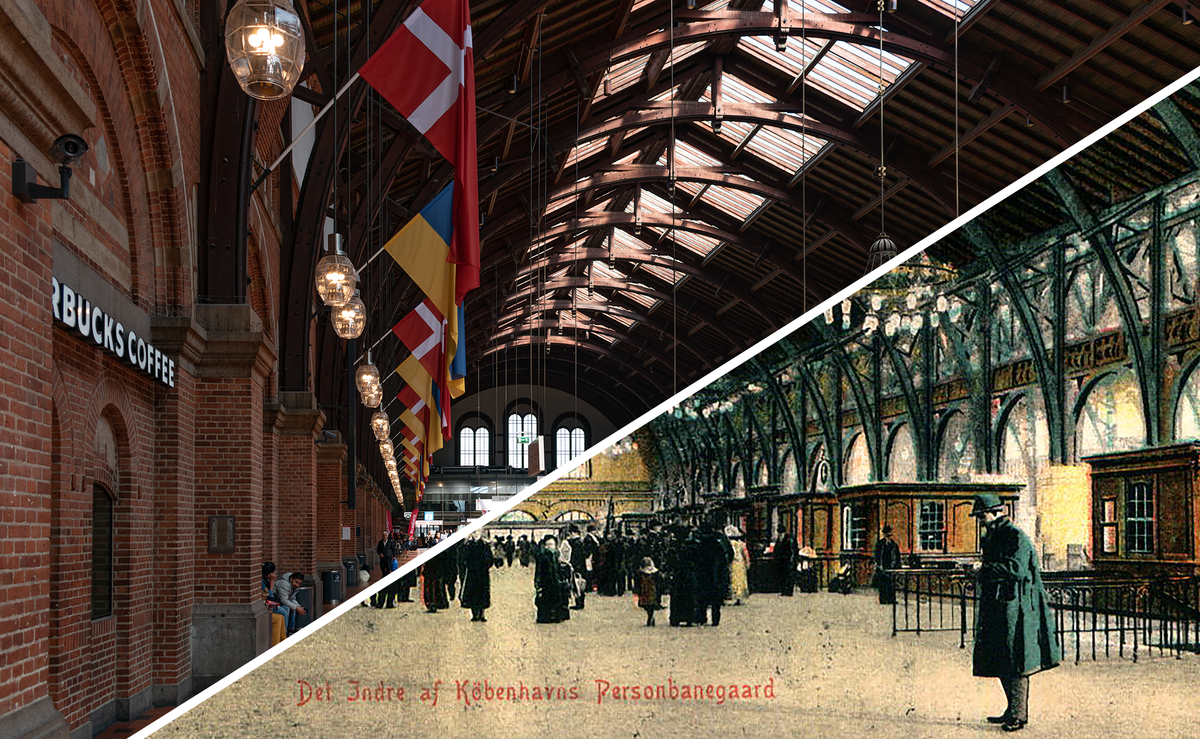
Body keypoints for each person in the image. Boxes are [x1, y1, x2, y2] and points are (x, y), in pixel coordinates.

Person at [970, 493, 1060, 733]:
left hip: (1018, 606)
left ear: (998, 512)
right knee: (1000, 656)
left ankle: (1019, 716)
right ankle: (1011, 709)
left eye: (982, 515)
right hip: (1000, 604)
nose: (980, 520)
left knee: (1016, 658)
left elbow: (1016, 569)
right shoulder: (994, 535)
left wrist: (983, 569)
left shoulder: (1015, 536)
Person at [693, 523, 733, 626]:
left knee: (702, 597)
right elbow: (729, 554)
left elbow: (694, 557)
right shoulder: (720, 540)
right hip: (717, 573)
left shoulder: (698, 541)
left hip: (702, 573)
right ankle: (715, 619)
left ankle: (702, 618)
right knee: (716, 598)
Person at [534, 535, 571, 623]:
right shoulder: (542, 556)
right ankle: (547, 618)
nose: (550, 546)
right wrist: (537, 583)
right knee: (546, 600)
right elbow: (538, 571)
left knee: (557, 599)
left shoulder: (557, 555)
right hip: (546, 582)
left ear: (555, 545)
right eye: (548, 544)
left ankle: (556, 616)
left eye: (552, 544)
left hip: (556, 582)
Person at [460, 535, 493, 622]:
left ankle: (478, 614)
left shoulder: (472, 545)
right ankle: (478, 614)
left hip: (476, 572)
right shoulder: (482, 545)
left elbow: (490, 559)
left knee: (477, 593)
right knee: (477, 594)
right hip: (478, 573)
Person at [873, 525, 902, 605]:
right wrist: (878, 565)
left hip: (891, 566)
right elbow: (877, 555)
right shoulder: (880, 544)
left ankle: (891, 599)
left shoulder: (894, 544)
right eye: (887, 533)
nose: (888, 535)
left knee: (891, 584)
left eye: (889, 533)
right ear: (884, 534)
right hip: (882, 567)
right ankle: (883, 599)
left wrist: (898, 567)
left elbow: (897, 556)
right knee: (883, 584)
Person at [725, 526, 750, 605]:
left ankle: (733, 595)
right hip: (740, 563)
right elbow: (745, 555)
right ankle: (739, 597)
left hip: (732, 563)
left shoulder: (728, 544)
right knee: (740, 579)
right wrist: (747, 563)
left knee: (733, 579)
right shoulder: (741, 544)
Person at [636, 557, 663, 626]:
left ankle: (650, 617)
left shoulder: (641, 573)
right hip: (650, 591)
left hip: (646, 591)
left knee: (648, 605)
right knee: (650, 605)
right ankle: (651, 616)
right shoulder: (655, 573)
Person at [773, 529, 796, 596]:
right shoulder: (779, 539)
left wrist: (792, 560)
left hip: (787, 561)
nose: (779, 534)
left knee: (788, 576)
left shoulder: (788, 539)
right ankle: (783, 590)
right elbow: (776, 549)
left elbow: (792, 551)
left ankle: (788, 591)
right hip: (781, 561)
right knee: (782, 576)